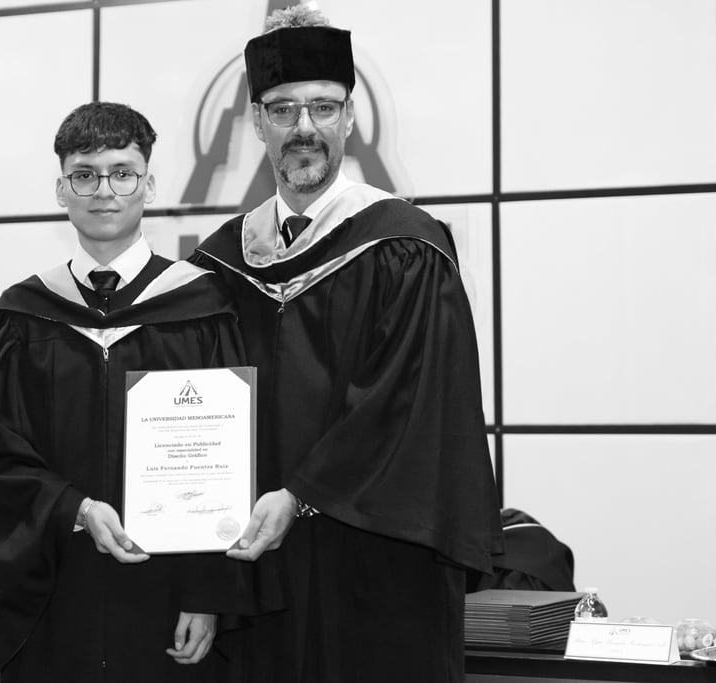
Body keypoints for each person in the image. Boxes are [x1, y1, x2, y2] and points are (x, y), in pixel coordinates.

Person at [185, 7, 503, 681]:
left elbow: (410, 402)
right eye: (283, 109)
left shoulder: (407, 246)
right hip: (254, 569)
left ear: (350, 117)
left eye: (323, 107)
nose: (304, 127)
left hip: (379, 564)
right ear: (257, 123)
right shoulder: (220, 265)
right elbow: (175, 388)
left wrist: (300, 493)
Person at [0, 102, 270, 683]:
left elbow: (230, 464)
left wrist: (209, 596)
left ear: (149, 185)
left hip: (169, 595)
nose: (105, 191)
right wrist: (76, 510)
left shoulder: (203, 307)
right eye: (84, 175)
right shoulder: (27, 314)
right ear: (61, 189)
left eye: (123, 173)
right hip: (57, 586)